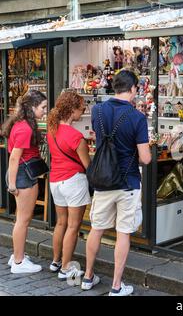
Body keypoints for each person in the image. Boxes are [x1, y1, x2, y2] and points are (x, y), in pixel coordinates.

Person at [82, 70, 151, 296]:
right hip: (127, 182)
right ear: (133, 89)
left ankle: (88, 276)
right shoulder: (137, 117)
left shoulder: (98, 110)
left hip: (102, 179)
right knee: (123, 233)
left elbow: (98, 137)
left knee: (96, 229)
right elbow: (145, 158)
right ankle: (116, 286)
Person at [46, 91, 91, 280]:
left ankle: (56, 261)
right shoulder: (76, 136)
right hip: (73, 181)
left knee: (61, 223)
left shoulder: (52, 129)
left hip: (56, 181)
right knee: (74, 226)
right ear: (72, 110)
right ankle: (66, 268)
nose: (83, 111)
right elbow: (88, 165)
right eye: (81, 108)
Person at [1, 90, 47, 273]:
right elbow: (14, 157)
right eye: (43, 107)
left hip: (20, 174)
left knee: (21, 219)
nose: (45, 111)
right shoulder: (25, 128)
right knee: (23, 220)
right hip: (22, 176)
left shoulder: (22, 124)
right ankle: (19, 262)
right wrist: (12, 184)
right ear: (32, 107)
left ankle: (17, 256)